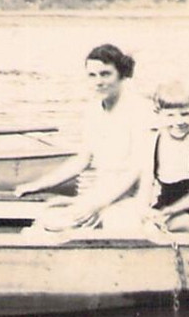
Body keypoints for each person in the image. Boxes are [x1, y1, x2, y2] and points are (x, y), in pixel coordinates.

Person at [15, 43, 151, 237]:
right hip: (100, 191)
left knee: (117, 226)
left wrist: (97, 204)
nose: (98, 82)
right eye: (92, 75)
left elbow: (136, 170)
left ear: (121, 74)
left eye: (105, 74)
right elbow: (82, 159)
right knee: (46, 222)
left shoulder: (139, 109)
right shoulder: (93, 110)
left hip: (131, 196)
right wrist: (38, 185)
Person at [137, 80, 189, 233]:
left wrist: (170, 211)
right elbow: (146, 185)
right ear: (158, 114)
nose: (179, 121)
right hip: (166, 206)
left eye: (185, 114)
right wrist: (145, 211)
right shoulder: (153, 140)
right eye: (170, 115)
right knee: (137, 224)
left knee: (165, 227)